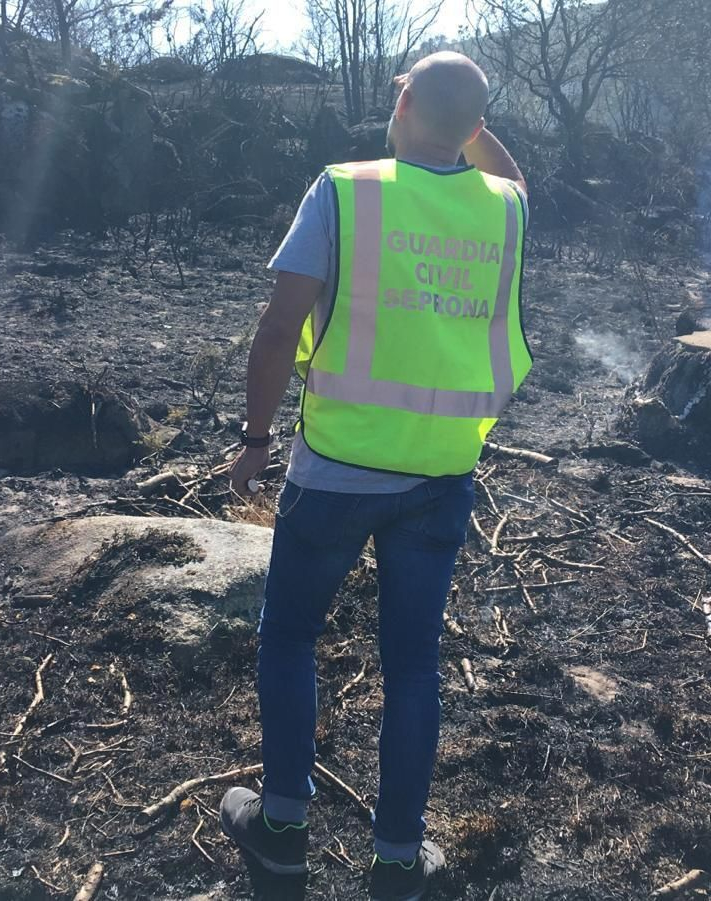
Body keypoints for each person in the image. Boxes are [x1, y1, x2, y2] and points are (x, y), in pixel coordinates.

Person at [218, 50, 530, 901]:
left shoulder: (345, 190)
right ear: (472, 129)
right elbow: (515, 175)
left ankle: (281, 831)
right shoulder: (501, 210)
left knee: (289, 635)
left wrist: (255, 438)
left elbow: (281, 325)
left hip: (336, 472)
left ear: (400, 102)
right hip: (440, 474)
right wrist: (465, 119)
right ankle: (397, 861)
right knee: (414, 666)